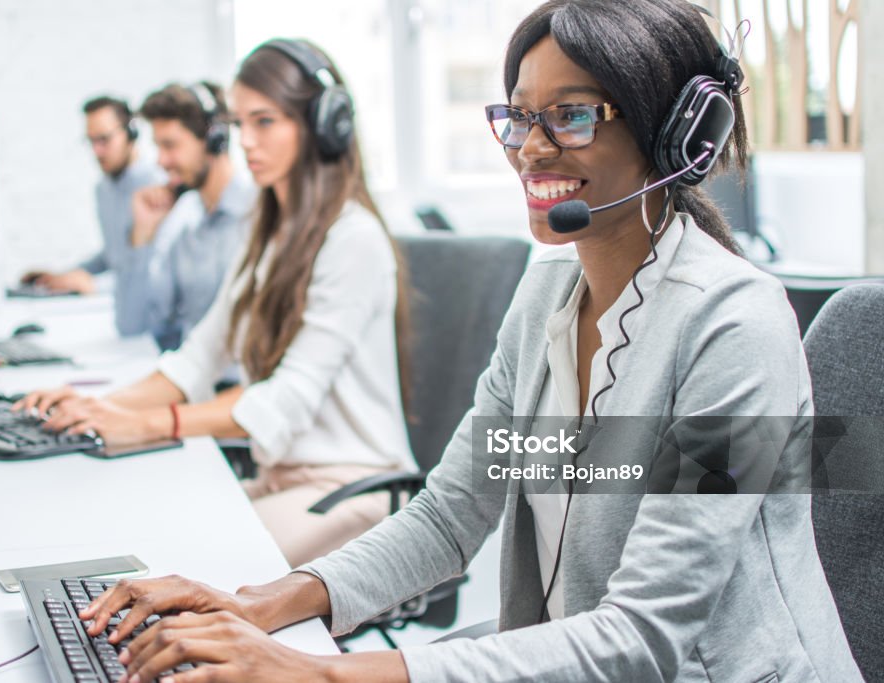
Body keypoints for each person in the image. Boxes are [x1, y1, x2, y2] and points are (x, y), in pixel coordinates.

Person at [72, 4, 862, 683]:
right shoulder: (548, 293)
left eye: (573, 114)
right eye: (519, 115)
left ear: (673, 134)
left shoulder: (739, 327)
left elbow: (643, 637)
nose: (530, 146)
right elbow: (452, 516)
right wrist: (256, 602)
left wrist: (319, 667)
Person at [15, 39, 416, 569]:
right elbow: (196, 360)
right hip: (280, 478)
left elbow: (282, 401)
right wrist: (100, 406)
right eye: (239, 123)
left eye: (264, 121)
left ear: (324, 125)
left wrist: (148, 424)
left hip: (353, 488)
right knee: (135, 539)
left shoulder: (352, 240)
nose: (245, 141)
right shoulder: (270, 234)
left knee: (190, 574)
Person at [124, 82, 255, 350]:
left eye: (170, 145)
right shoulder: (184, 231)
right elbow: (135, 326)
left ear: (213, 139)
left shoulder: (259, 217)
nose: (161, 161)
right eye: (158, 147)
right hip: (195, 384)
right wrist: (143, 236)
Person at [21, 96, 164, 302]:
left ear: (131, 133)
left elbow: (155, 271)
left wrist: (94, 284)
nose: (97, 151)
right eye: (91, 141)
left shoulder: (157, 188)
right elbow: (113, 257)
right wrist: (65, 277)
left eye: (104, 140)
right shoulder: (103, 189)